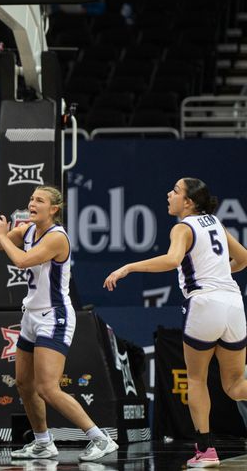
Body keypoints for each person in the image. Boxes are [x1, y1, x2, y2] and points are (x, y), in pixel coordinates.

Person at [0, 186, 118, 462]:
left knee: (48, 387)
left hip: (55, 316)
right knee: (23, 383)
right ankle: (43, 441)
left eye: (39, 200)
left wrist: (3, 236)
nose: (32, 203)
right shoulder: (27, 231)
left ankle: (100, 438)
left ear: (54, 209)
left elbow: (21, 259)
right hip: (31, 315)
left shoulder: (57, 237)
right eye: (31, 199)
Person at [104, 178, 247, 468]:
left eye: (176, 191)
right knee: (235, 385)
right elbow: (243, 259)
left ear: (189, 202)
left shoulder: (183, 226)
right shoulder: (216, 223)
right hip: (233, 302)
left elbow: (172, 260)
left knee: (196, 379)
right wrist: (220, 273)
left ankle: (206, 452)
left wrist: (128, 267)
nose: (169, 194)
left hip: (205, 302)